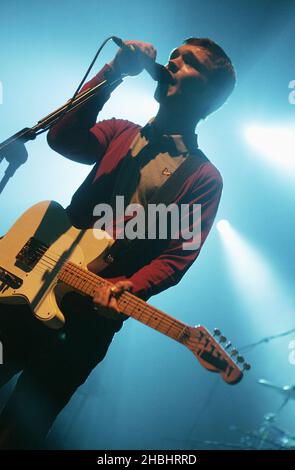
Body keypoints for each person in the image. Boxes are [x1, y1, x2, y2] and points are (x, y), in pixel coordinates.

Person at [0, 38, 236, 449]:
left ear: (211, 93)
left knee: (18, 433)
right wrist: (112, 72)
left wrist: (133, 287)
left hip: (86, 324)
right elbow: (63, 138)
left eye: (189, 61)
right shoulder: (121, 133)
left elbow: (177, 256)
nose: (172, 61)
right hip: (27, 283)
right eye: (174, 55)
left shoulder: (203, 178)